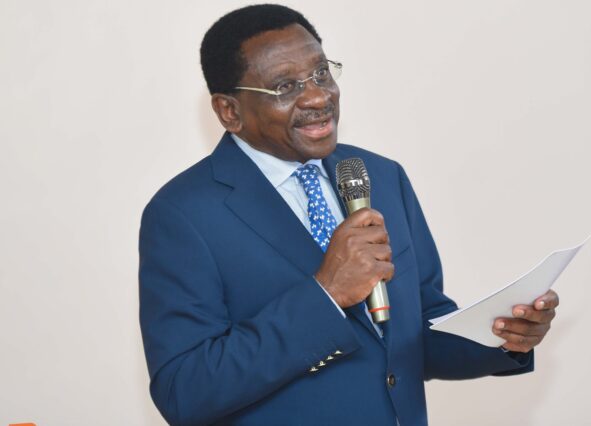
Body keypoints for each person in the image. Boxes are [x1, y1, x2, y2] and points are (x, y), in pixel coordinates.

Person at [138, 4, 559, 425]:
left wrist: (502, 336)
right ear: (229, 111)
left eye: (321, 73)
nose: (318, 97)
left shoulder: (381, 176)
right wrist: (326, 294)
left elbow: (415, 334)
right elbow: (184, 390)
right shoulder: (182, 215)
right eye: (285, 86)